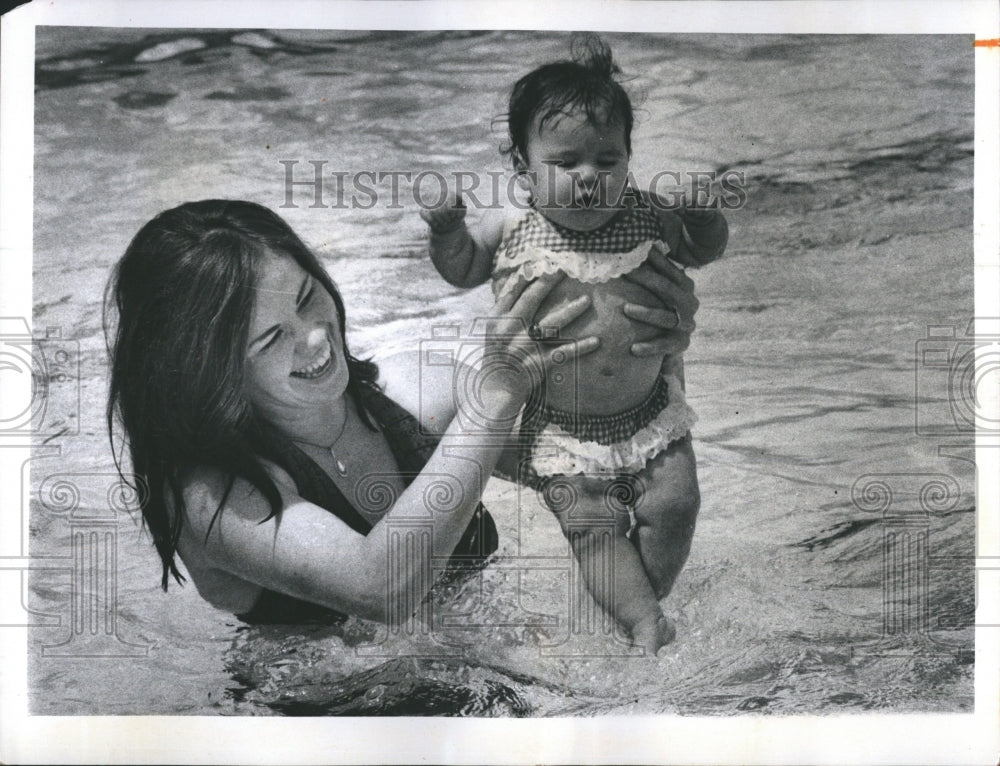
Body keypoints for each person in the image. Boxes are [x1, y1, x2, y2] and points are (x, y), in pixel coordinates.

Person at [106, 199, 602, 625]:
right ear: (210, 372)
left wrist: (641, 351)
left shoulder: (415, 394)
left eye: (306, 298)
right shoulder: (216, 498)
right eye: (272, 338)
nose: (316, 338)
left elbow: (593, 470)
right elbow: (381, 590)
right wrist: (491, 407)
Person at [421, 37, 727, 654]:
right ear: (523, 166)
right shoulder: (510, 226)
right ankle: (643, 622)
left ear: (629, 161)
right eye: (567, 163)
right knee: (592, 528)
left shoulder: (645, 214)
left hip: (651, 414)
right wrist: (448, 228)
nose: (590, 178)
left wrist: (702, 218)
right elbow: (462, 268)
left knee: (677, 504)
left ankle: (640, 600)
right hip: (561, 426)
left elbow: (701, 250)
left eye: (608, 161)